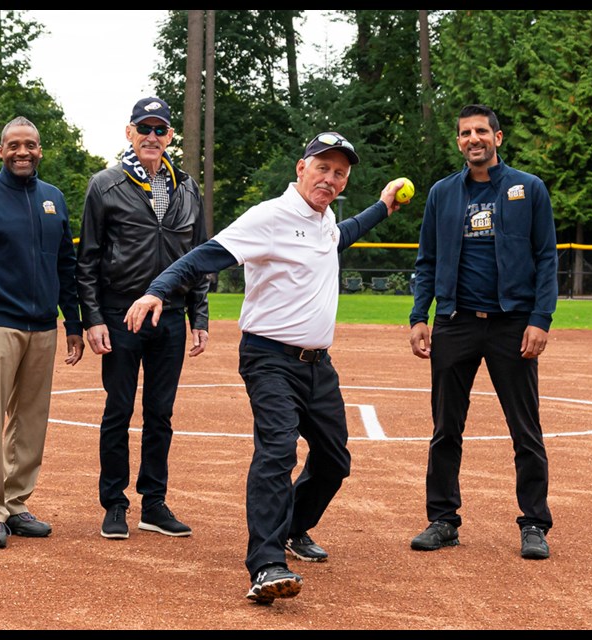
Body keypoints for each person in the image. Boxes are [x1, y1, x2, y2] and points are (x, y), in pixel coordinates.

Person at [123, 131, 406, 604]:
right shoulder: (269, 217)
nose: (330, 179)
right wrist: (157, 289)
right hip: (269, 357)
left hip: (318, 364)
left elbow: (344, 235)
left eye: (339, 173)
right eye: (323, 168)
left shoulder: (325, 221)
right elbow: (203, 257)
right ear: (301, 168)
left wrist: (381, 207)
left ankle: (294, 527)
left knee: (335, 459)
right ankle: (266, 562)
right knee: (277, 450)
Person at [408, 104, 557, 561]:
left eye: (481, 131)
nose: (474, 139)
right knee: (445, 428)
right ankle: (443, 520)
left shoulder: (527, 189)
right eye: (465, 133)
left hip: (512, 325)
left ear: (498, 137)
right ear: (458, 141)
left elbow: (547, 258)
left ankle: (534, 523)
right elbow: (427, 260)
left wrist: (540, 319)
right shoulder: (441, 193)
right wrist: (419, 316)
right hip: (455, 323)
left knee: (525, 429)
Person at [75, 96, 210, 542]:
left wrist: (199, 316)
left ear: (170, 137)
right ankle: (114, 503)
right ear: (129, 133)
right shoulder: (105, 184)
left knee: (161, 413)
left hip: (169, 316)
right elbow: (88, 259)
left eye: (160, 130)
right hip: (119, 315)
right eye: (144, 129)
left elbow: (199, 258)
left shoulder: (188, 187)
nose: (152, 137)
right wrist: (92, 317)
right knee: (118, 409)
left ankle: (154, 503)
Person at [0, 115, 85, 549]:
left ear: (40, 150)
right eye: (14, 145)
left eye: (30, 144)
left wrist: (74, 323)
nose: (22, 151)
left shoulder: (54, 199)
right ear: (1, 151)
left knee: (30, 422)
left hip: (43, 327)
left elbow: (66, 265)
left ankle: (16, 503)